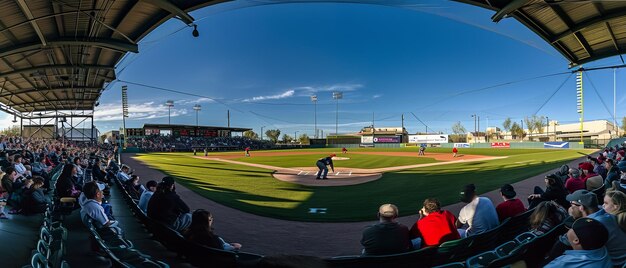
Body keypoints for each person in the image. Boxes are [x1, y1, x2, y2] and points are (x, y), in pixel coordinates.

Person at [544, 218, 612, 268]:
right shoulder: (603, 249)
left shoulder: (564, 262)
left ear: (576, 240)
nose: (569, 229)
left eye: (571, 228)